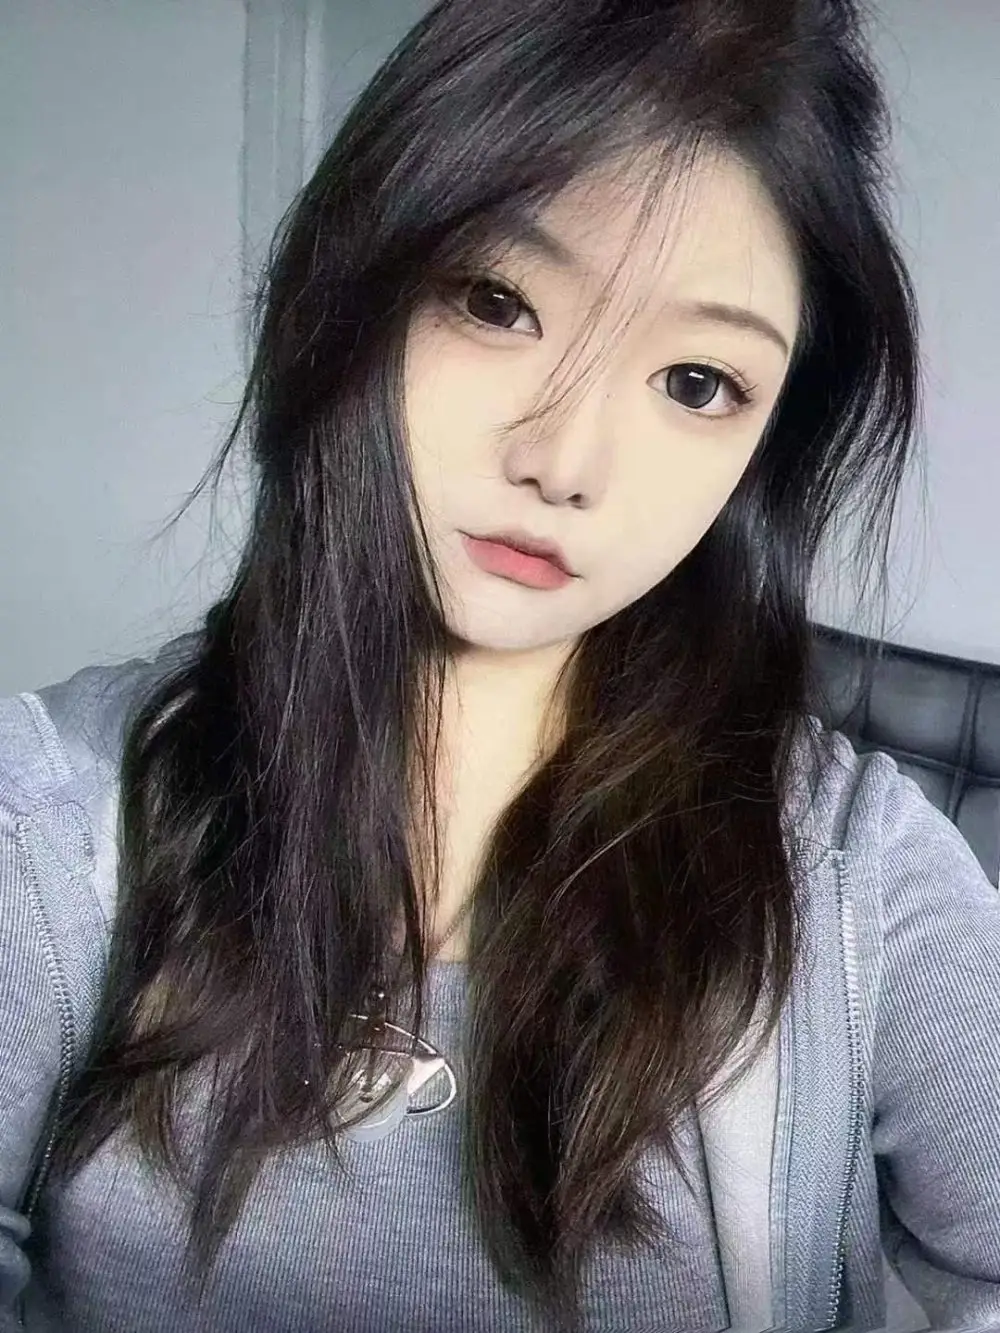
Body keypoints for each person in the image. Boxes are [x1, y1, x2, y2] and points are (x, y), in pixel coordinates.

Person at [2, 0, 999, 1330]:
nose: (565, 462)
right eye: (497, 301)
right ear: (358, 286)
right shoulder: (52, 825)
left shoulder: (853, 879)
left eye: (697, 383)